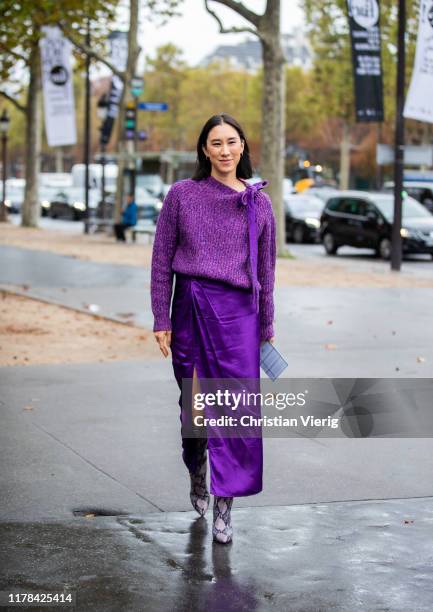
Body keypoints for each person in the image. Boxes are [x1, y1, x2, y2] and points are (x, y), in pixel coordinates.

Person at [150, 113, 276, 544]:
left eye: (232, 142)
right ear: (204, 150)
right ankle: (197, 469)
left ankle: (226, 505)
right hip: (190, 305)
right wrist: (160, 318)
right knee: (196, 410)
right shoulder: (182, 196)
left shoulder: (259, 202)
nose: (225, 150)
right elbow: (161, 259)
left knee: (236, 410)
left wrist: (267, 325)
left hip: (240, 314)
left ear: (243, 146)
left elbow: (267, 271)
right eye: (216, 143)